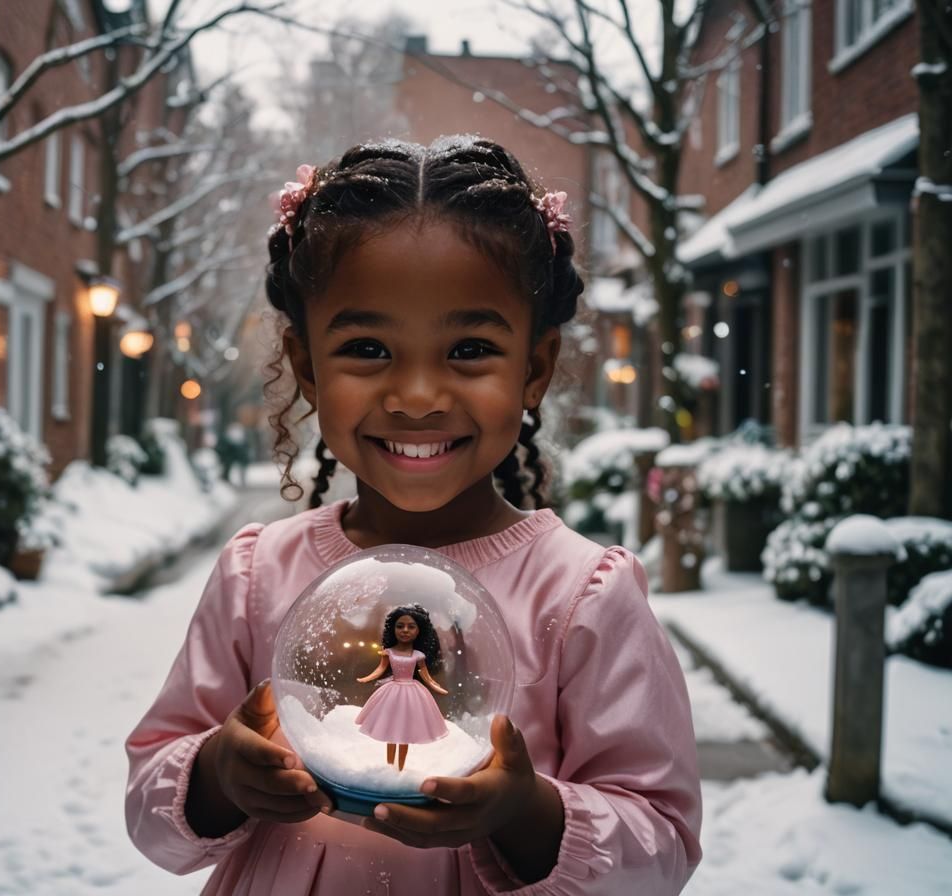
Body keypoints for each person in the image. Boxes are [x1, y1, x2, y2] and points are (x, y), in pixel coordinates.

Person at [125, 137, 702, 895]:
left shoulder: (583, 595)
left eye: (468, 348)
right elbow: (151, 799)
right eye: (368, 347)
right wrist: (216, 774)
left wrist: (526, 812)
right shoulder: (259, 576)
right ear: (307, 367)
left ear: (534, 368)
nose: (419, 395)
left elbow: (661, 846)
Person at [354, 605, 450, 771]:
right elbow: (380, 669)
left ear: (419, 630)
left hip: (412, 693)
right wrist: (367, 678)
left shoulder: (418, 655)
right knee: (391, 729)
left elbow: (426, 676)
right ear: (393, 629)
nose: (405, 630)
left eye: (411, 626)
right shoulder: (388, 652)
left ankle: (400, 768)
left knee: (404, 731)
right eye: (400, 626)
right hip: (392, 691)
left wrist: (436, 687)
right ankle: (390, 766)